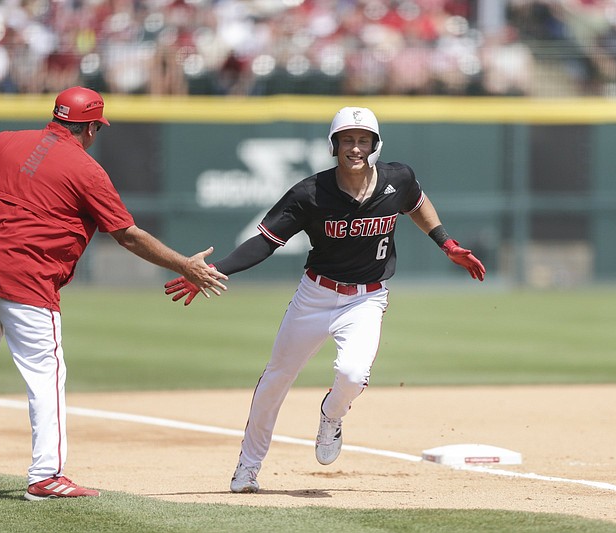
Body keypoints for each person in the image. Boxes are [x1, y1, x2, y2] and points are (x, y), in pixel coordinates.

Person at [164, 106, 484, 493]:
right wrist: (214, 271)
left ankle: (331, 416)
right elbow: (265, 241)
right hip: (315, 296)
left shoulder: (398, 178)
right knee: (276, 380)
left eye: (363, 140)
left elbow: (417, 203)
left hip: (366, 299)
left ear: (375, 144)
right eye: (347, 140)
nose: (355, 148)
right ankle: (248, 468)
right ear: (334, 146)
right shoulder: (310, 193)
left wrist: (446, 243)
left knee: (352, 375)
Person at [0, 86, 228, 501]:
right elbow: (127, 235)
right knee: (46, 376)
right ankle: (45, 476)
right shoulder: (87, 170)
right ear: (91, 127)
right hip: (26, 278)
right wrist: (185, 265)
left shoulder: (4, 141)